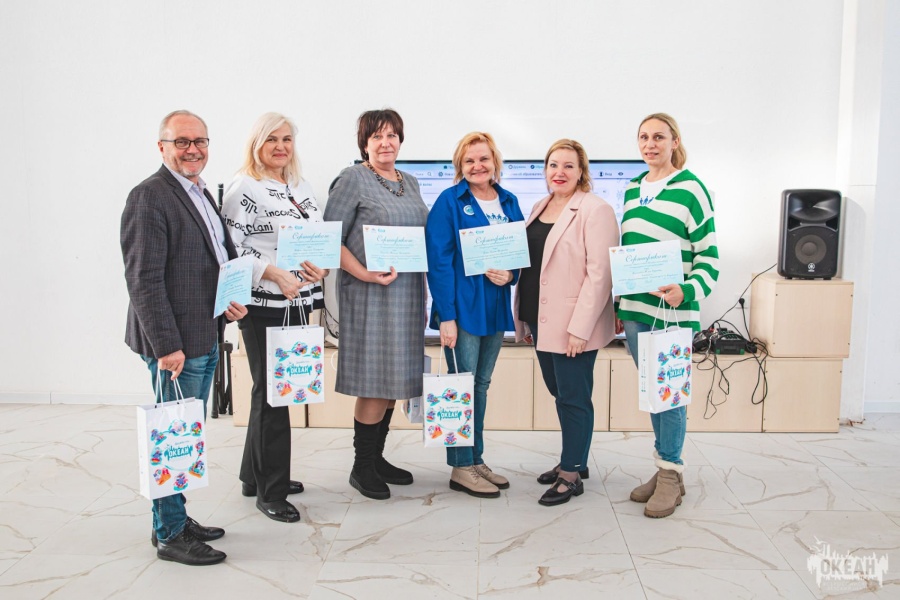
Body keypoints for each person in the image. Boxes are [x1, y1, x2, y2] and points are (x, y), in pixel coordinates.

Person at [121, 110, 248, 565]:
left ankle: (173, 517)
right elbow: (144, 280)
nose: (193, 149)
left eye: (200, 141)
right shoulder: (149, 197)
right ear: (162, 147)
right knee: (172, 437)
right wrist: (166, 347)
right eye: (181, 142)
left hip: (204, 332)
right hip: (176, 346)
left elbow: (213, 260)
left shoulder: (198, 192)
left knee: (184, 436)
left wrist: (230, 300)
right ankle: (171, 534)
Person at [221, 112, 328, 523]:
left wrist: (319, 266)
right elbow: (229, 247)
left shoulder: (300, 185)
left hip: (298, 301)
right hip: (263, 303)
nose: (280, 146)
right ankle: (272, 491)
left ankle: (255, 476)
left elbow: (315, 238)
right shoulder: (243, 186)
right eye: (271, 139)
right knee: (274, 395)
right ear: (256, 144)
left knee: (271, 389)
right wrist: (271, 272)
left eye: (286, 139)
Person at [323, 109, 428, 500]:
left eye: (392, 135)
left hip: (406, 294)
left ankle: (377, 459)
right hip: (369, 295)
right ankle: (361, 466)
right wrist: (365, 273)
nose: (386, 143)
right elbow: (329, 238)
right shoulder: (352, 178)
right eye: (377, 136)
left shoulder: (410, 181)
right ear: (364, 143)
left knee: (394, 379)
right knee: (373, 382)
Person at [617, 112, 718, 518]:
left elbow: (709, 257)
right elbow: (628, 252)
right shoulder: (631, 190)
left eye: (659, 137)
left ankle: (671, 476)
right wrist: (620, 304)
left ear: (675, 141)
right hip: (636, 311)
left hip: (673, 313)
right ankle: (664, 468)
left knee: (670, 395)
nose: (650, 144)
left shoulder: (692, 189)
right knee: (653, 394)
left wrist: (686, 290)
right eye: (643, 137)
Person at [514, 139, 619, 507]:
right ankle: (573, 458)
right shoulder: (539, 206)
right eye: (553, 165)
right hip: (540, 320)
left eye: (568, 166)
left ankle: (572, 473)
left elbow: (600, 275)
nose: (559, 172)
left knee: (574, 397)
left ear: (581, 172)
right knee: (560, 392)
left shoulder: (595, 210)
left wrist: (580, 329)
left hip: (573, 325)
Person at [425, 132, 524, 498]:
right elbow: (438, 261)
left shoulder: (509, 201)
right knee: (461, 386)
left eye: (483, 159)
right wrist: (447, 316)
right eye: (469, 161)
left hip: (494, 306)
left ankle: (475, 459)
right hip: (463, 308)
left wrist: (511, 275)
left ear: (494, 162)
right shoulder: (449, 202)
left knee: (480, 385)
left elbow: (519, 253)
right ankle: (460, 466)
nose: (477, 166)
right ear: (460, 166)